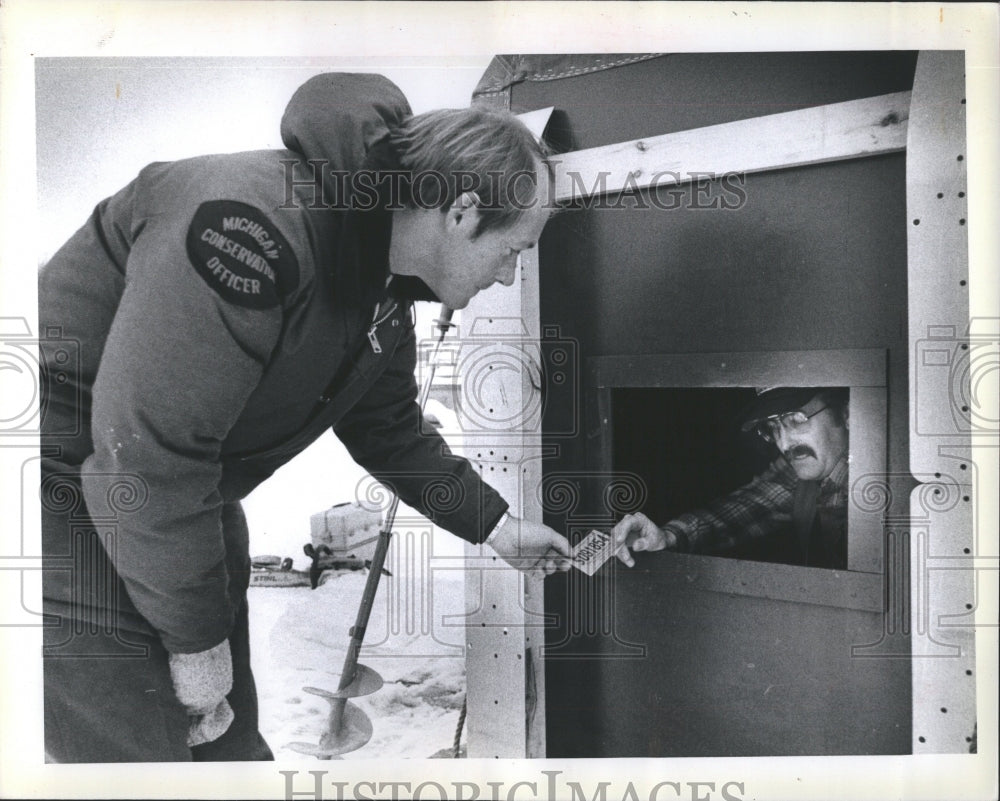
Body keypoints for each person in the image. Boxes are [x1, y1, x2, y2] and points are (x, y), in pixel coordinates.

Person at [38, 72, 571, 763]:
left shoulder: (380, 295)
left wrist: (498, 526)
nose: (507, 276)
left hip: (178, 495)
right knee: (138, 748)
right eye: (513, 251)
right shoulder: (252, 228)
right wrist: (197, 645)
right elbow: (147, 457)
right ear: (463, 212)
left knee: (224, 737)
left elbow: (393, 434)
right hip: (57, 483)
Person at [613, 386, 850, 571]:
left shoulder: (878, 483)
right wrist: (668, 536)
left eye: (796, 419)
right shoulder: (800, 472)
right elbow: (745, 509)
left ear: (847, 412)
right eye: (772, 428)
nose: (784, 444)